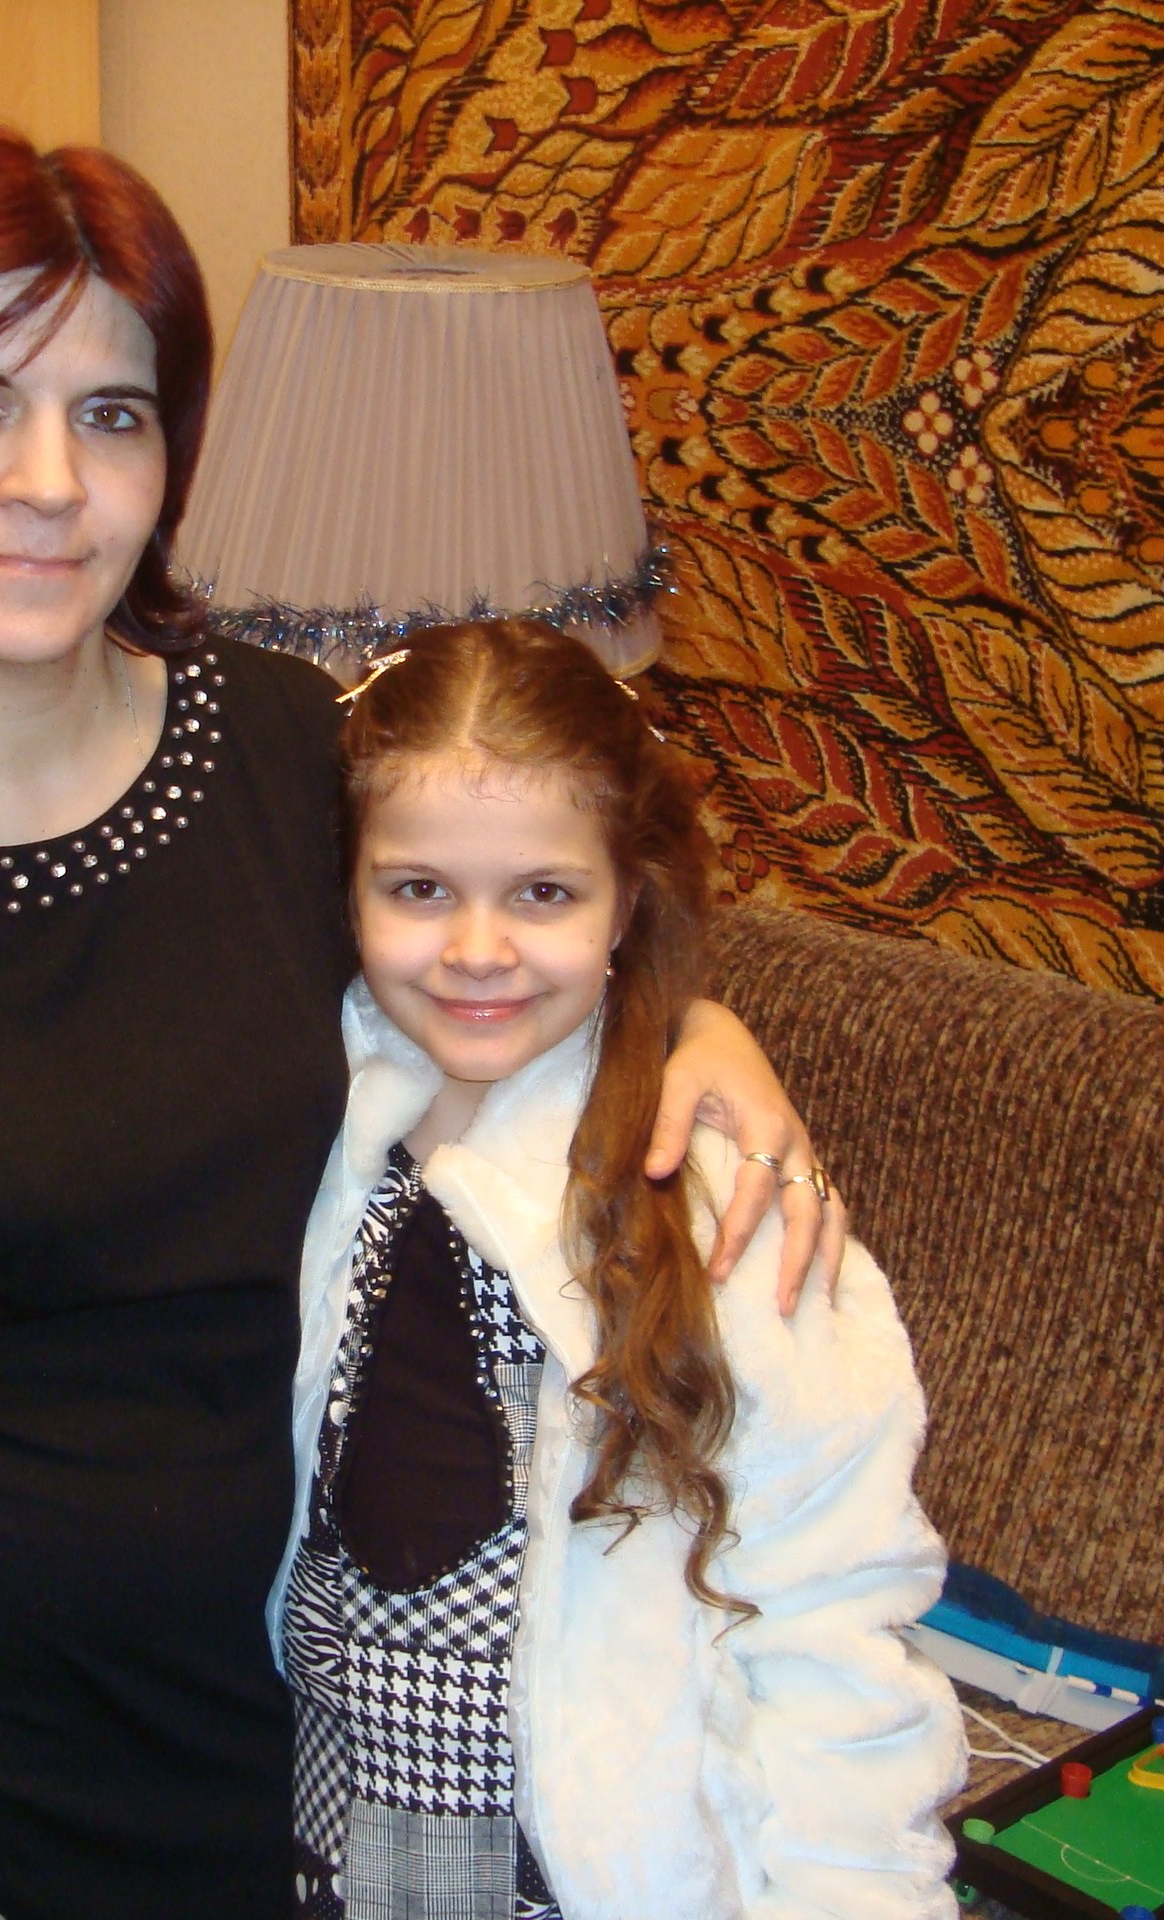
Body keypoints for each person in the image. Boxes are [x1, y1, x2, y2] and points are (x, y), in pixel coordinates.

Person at [0, 122, 843, 1920]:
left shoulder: (281, 752)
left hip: (257, 1714)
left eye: (114, 414)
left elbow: (494, 943)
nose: (50, 483)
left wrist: (688, 1033)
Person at [276, 618, 961, 1917]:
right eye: (418, 889)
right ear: (347, 890)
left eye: (545, 893)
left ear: (627, 900)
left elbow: (830, 1619)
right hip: (328, 1848)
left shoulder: (723, 1202)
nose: (479, 949)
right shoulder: (305, 1113)